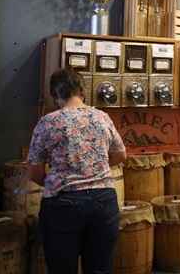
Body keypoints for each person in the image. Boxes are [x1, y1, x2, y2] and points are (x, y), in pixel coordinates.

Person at [26, 67, 127, 274]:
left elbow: (34, 173)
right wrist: (92, 170)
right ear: (82, 90)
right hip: (104, 201)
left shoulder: (48, 122)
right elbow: (120, 155)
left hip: (63, 204)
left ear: (56, 94)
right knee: (99, 269)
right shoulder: (102, 117)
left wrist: (58, 181)